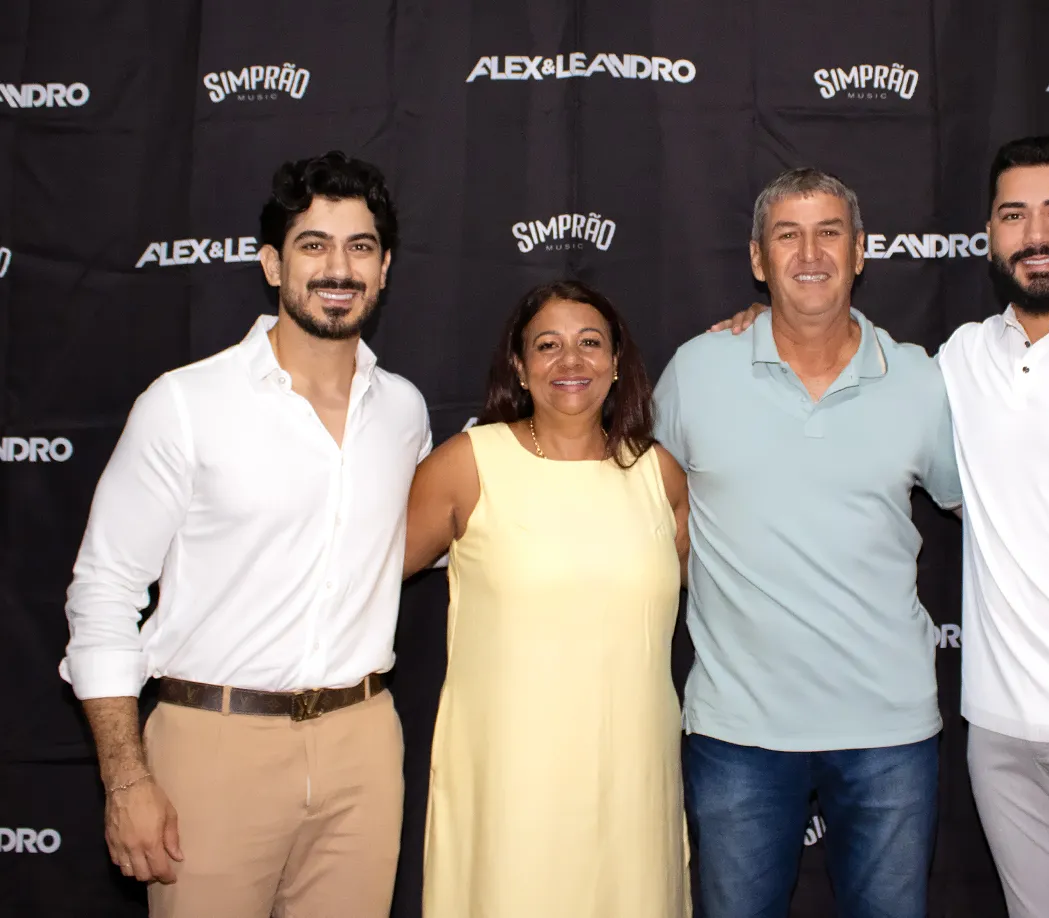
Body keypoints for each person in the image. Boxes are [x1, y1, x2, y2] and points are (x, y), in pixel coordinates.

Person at [720, 137, 1049, 918]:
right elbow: (844, 367)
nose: (1036, 234)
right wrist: (767, 320)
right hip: (1003, 736)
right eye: (1014, 215)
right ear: (989, 234)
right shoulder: (963, 359)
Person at [60, 151, 429, 918]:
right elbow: (104, 592)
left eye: (360, 247)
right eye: (313, 245)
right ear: (272, 264)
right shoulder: (186, 404)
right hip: (213, 745)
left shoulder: (404, 412)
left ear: (385, 268)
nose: (339, 268)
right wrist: (126, 778)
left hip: (362, 748)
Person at [655, 168, 963, 918]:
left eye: (829, 233)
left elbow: (985, 511)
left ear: (859, 252)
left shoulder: (920, 380)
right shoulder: (697, 369)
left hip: (888, 728)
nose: (810, 253)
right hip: (738, 730)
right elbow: (648, 510)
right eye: (787, 235)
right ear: (758, 260)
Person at [404, 280, 692, 918]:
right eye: (547, 345)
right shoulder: (467, 464)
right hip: (512, 780)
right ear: (519, 364)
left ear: (616, 362)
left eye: (590, 343)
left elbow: (716, 587)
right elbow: (363, 579)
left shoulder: (659, 474)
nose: (570, 361)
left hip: (631, 776)